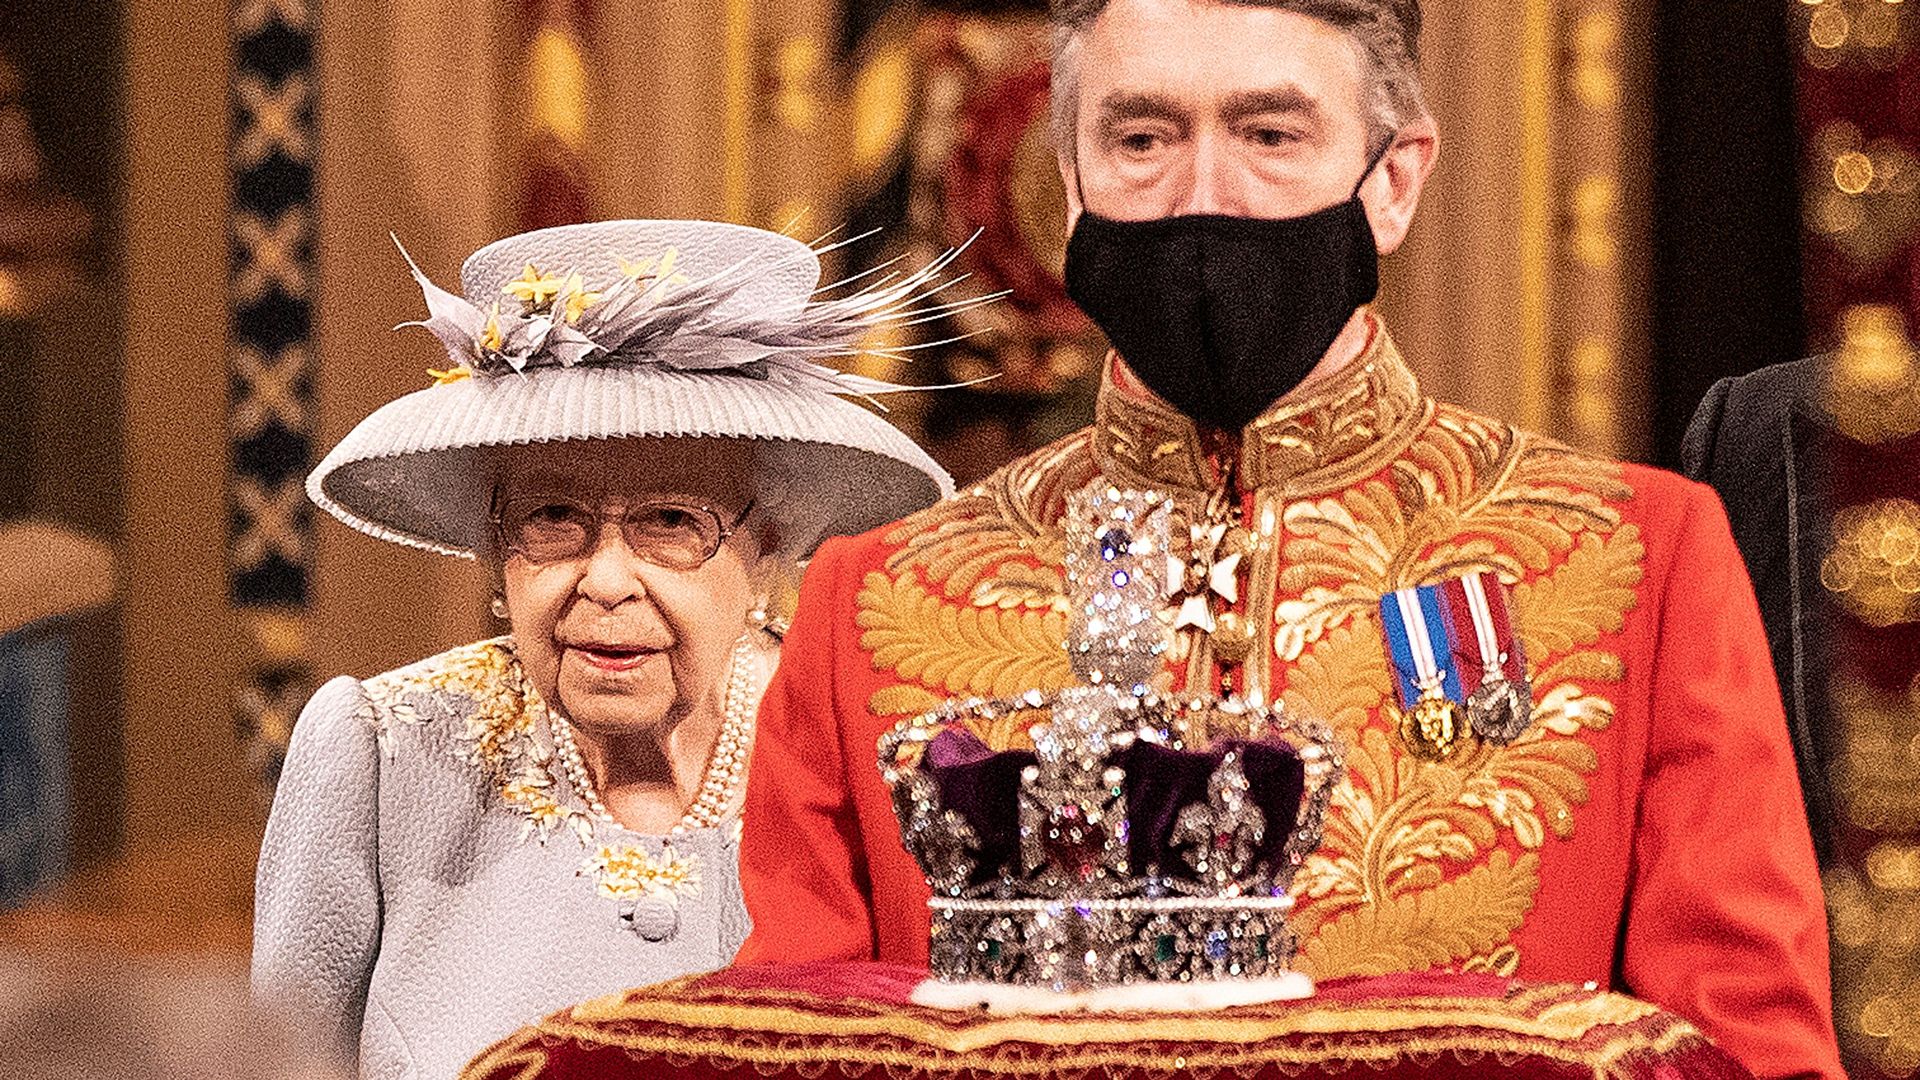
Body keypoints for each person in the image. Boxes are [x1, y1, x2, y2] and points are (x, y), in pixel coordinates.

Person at [737, 3, 1844, 1079]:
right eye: (1141, 138)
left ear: (1395, 178)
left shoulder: (1637, 556)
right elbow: (788, 1055)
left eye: (1270, 134)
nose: (1203, 191)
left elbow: (1744, 1052)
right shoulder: (870, 602)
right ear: (1070, 185)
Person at [251, 219, 954, 1080]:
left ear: (765, 550)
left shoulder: (861, 759)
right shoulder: (381, 755)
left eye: (670, 522)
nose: (607, 580)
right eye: (553, 520)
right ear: (494, 546)